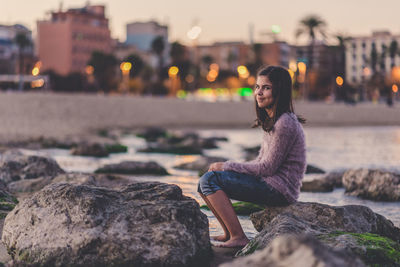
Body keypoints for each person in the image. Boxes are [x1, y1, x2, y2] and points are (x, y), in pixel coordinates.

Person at [197, 65, 307, 248]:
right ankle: (229, 234)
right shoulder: (275, 121)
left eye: (266, 88)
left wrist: (226, 166)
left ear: (279, 91)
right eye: (257, 87)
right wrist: (227, 168)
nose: (259, 93)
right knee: (203, 182)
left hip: (280, 190)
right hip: (271, 184)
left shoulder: (285, 123)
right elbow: (261, 163)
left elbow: (267, 168)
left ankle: (238, 237)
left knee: (210, 180)